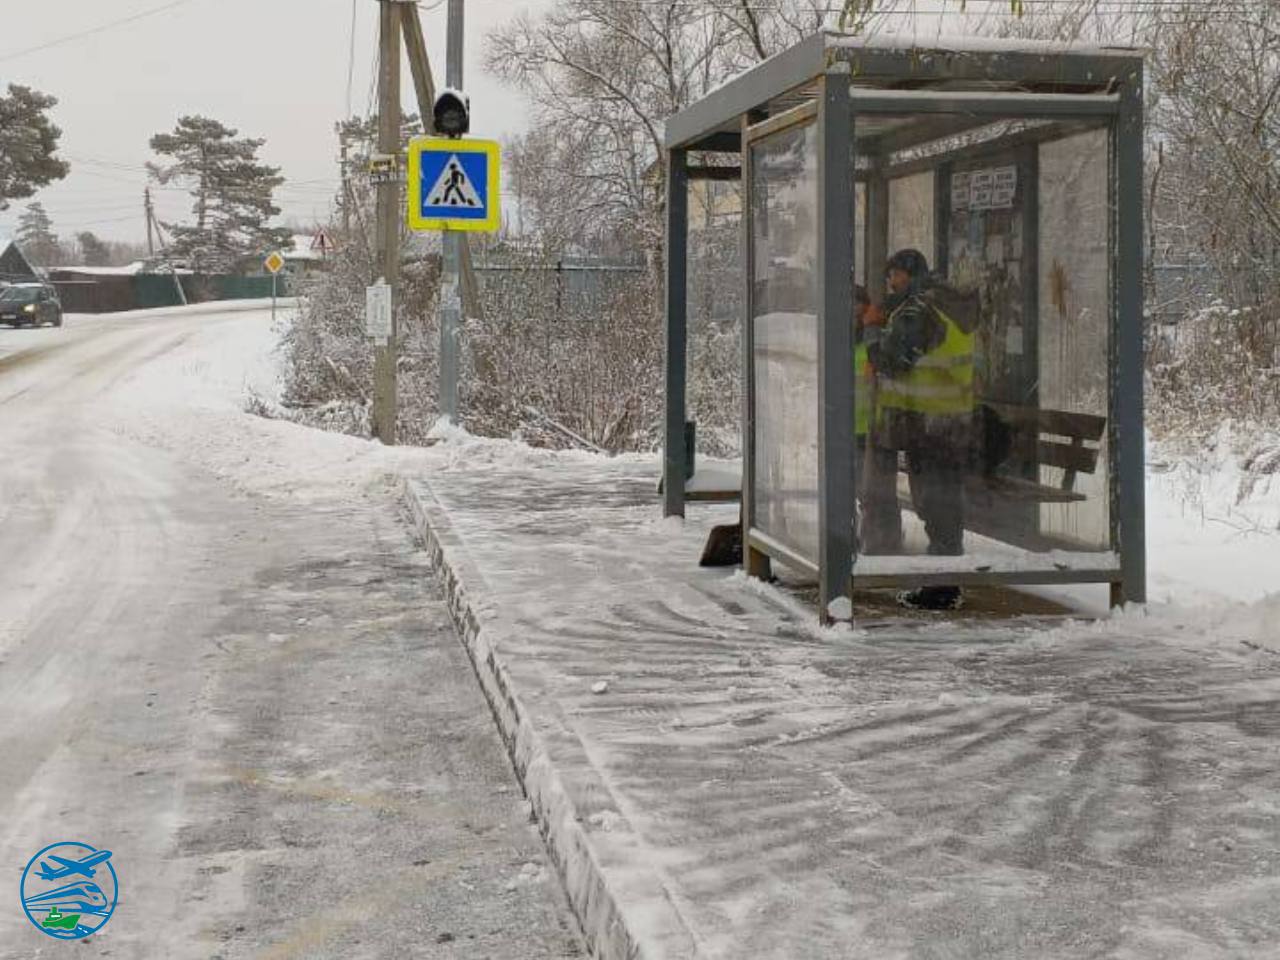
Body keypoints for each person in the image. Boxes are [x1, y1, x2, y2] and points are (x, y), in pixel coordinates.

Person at [864, 249, 977, 611]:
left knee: (934, 502)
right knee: (943, 501)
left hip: (927, 424)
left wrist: (871, 336)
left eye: (893, 276)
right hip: (950, 419)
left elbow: (895, 361)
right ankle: (943, 579)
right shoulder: (948, 304)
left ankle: (941, 585)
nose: (890, 283)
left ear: (907, 274)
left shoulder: (919, 310)